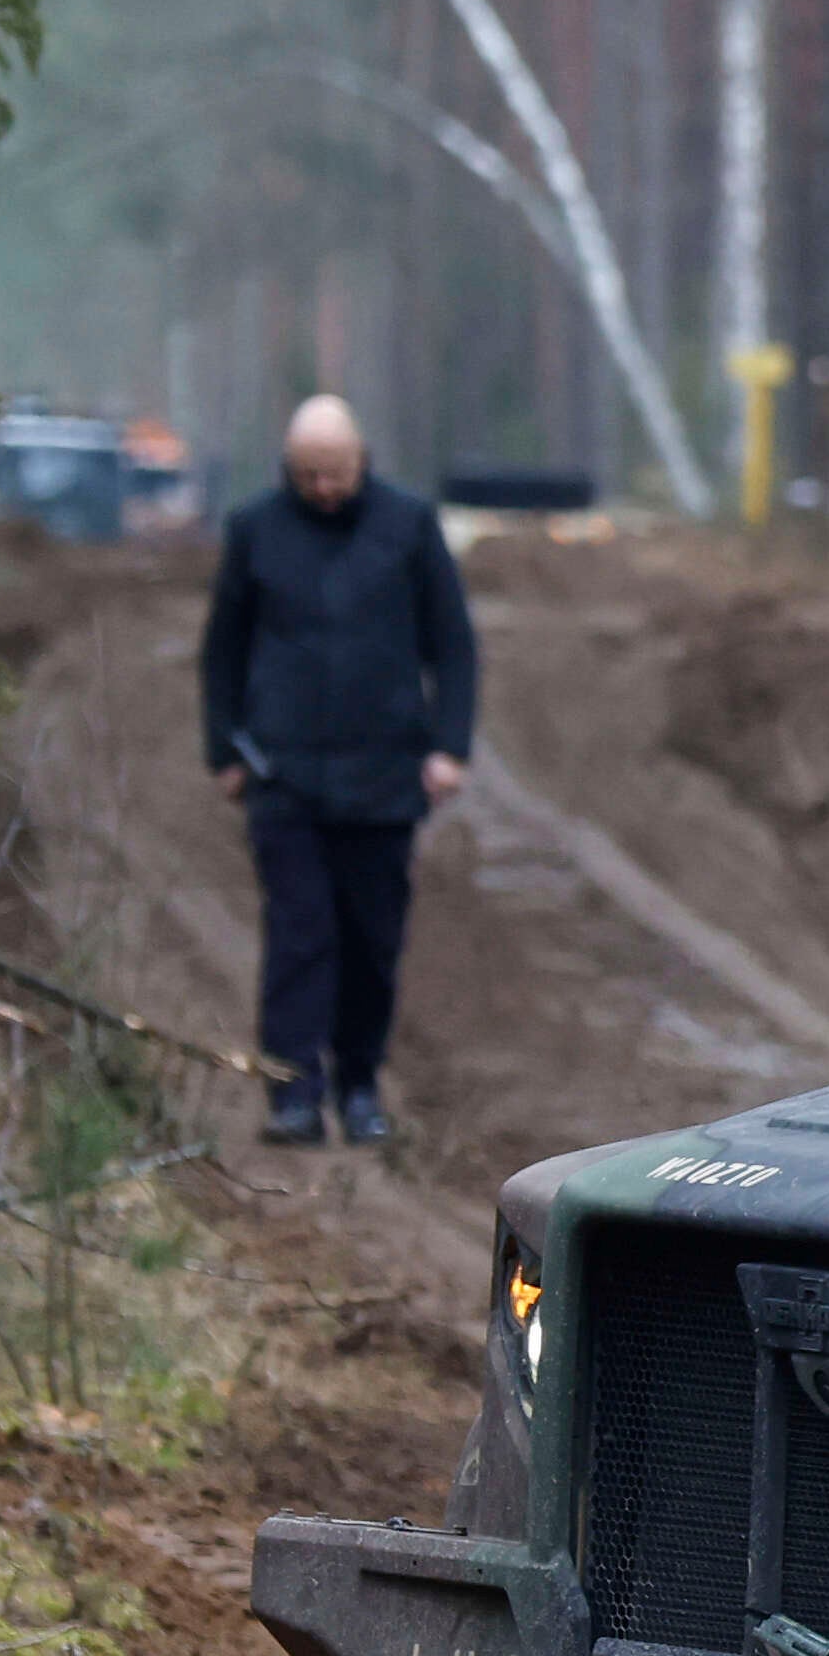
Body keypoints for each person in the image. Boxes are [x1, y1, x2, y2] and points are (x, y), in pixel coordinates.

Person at [197, 396, 474, 1149]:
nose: (323, 488)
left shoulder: (408, 526)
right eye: (309, 475)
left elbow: (451, 643)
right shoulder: (255, 529)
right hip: (284, 777)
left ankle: (358, 1087)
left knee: (369, 943)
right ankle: (292, 1093)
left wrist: (449, 746)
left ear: (362, 461)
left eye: (337, 473)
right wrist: (224, 750)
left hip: (384, 782)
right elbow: (223, 648)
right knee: (297, 937)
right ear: (289, 469)